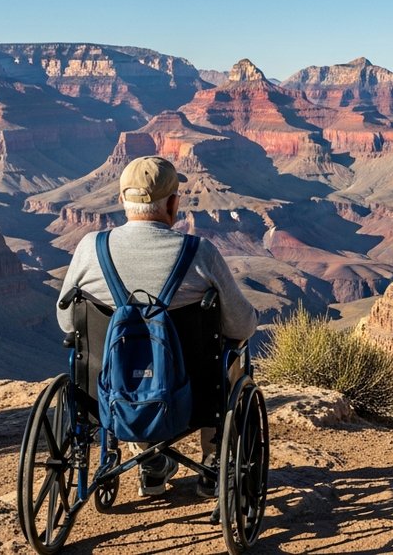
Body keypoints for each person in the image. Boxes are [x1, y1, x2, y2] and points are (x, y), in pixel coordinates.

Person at [57, 155, 258, 499]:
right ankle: (213, 461)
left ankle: (149, 460)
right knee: (235, 350)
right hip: (191, 393)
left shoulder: (91, 248)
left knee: (131, 360)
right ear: (173, 203)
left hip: (110, 392)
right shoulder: (200, 252)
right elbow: (241, 324)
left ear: (121, 200)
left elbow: (67, 322)